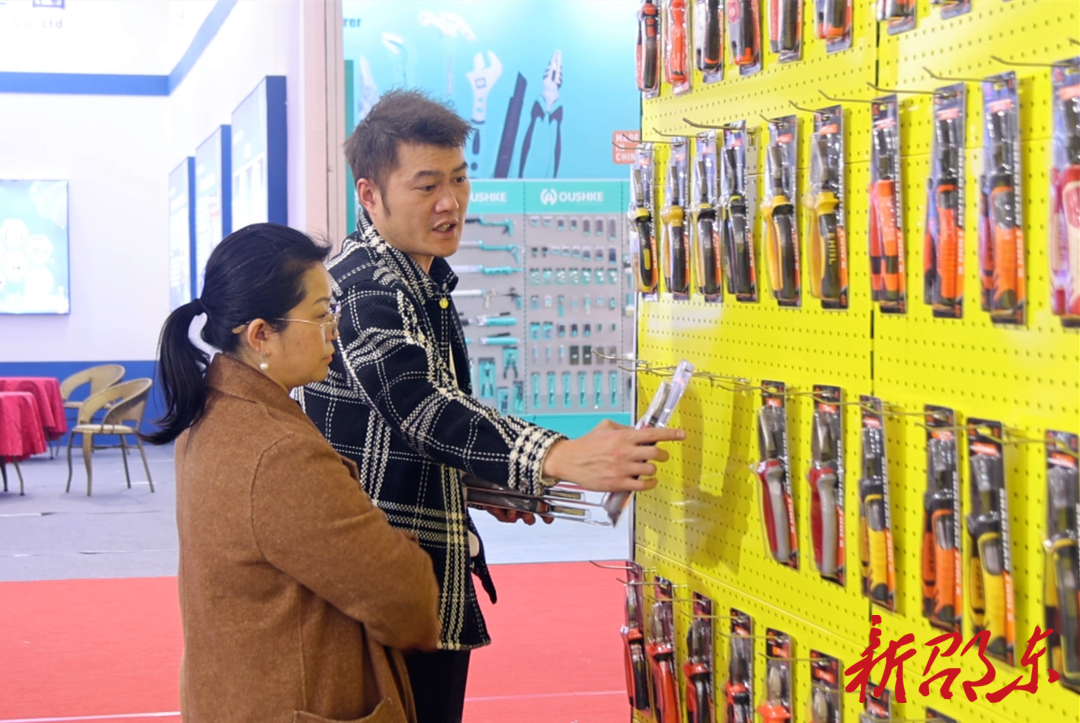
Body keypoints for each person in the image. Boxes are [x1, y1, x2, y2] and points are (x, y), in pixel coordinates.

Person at [299, 90, 685, 723]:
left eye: (458, 179)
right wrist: (560, 455)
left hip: (414, 575)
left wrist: (480, 483)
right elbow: (421, 408)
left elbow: (396, 431)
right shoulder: (366, 287)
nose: (450, 202)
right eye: (426, 185)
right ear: (369, 195)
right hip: (379, 594)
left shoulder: (418, 278)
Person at [144, 224, 441, 723]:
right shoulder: (278, 452)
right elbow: (404, 597)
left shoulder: (214, 416)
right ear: (261, 335)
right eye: (321, 314)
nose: (335, 329)